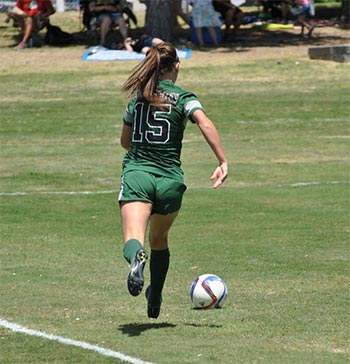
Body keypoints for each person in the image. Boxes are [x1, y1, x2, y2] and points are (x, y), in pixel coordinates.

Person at [119, 42, 228, 319]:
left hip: (138, 175)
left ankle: (136, 259)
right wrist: (222, 161)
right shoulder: (183, 97)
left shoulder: (137, 98)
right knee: (160, 239)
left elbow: (125, 142)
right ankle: (154, 296)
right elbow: (204, 122)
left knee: (135, 239)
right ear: (176, 66)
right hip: (170, 181)